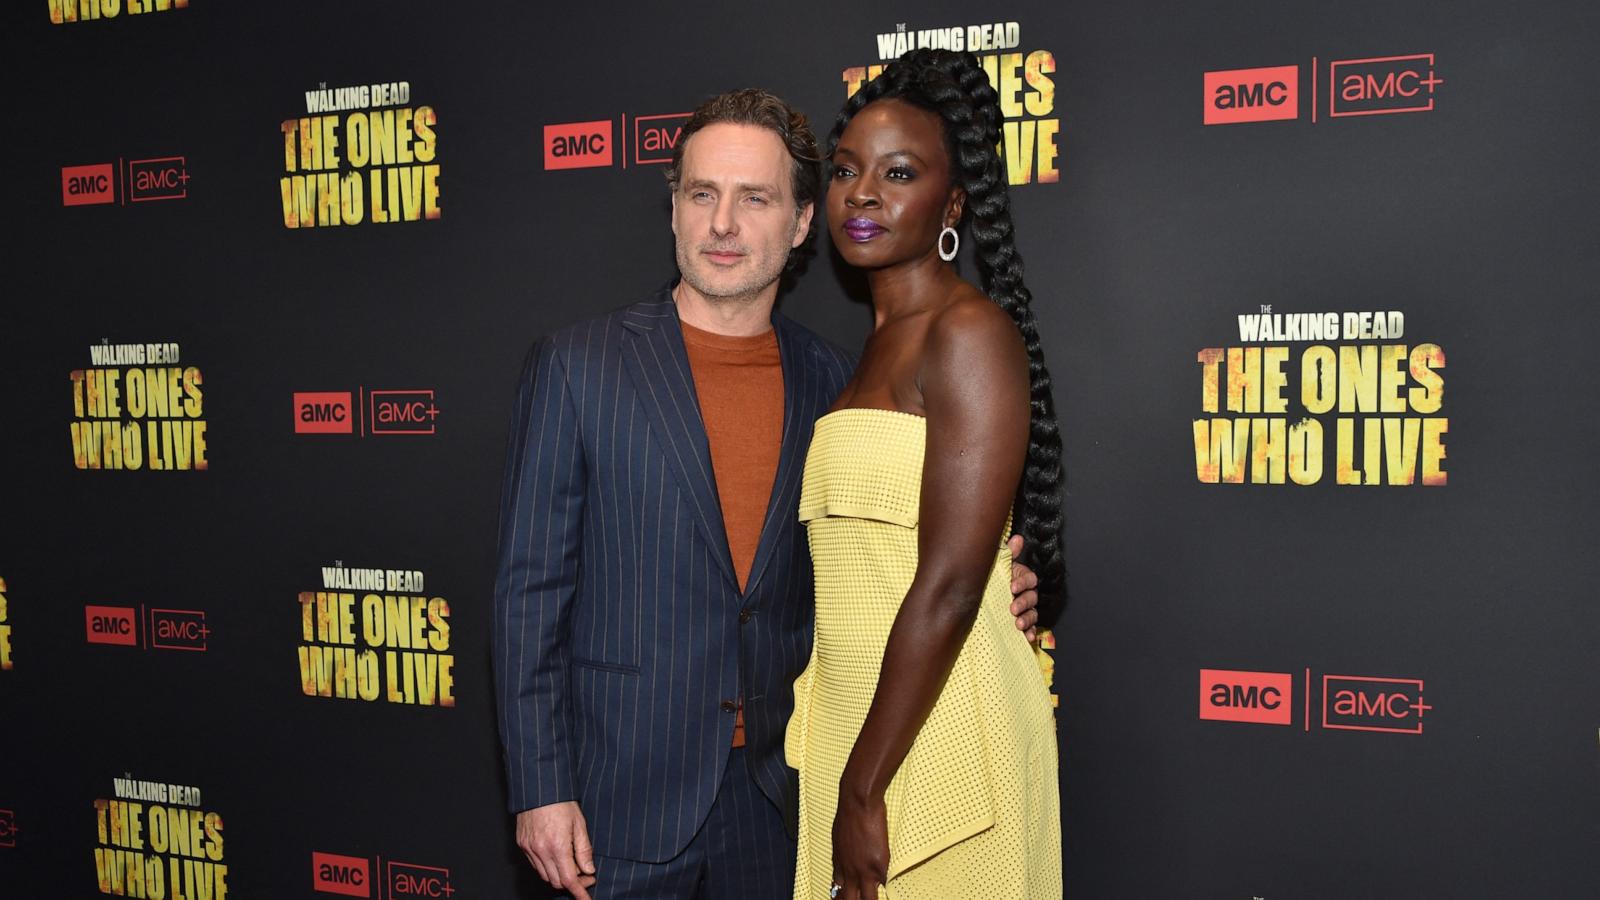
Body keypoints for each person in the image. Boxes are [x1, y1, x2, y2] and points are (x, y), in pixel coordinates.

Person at [492, 87, 1045, 900]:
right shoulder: (579, 367)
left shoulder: (837, 378)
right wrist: (541, 787)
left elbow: (879, 547)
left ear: (796, 226)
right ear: (674, 210)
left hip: (783, 799)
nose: (723, 223)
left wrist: (997, 582)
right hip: (619, 805)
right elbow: (527, 592)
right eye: (701, 194)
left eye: (755, 198)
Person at [784, 49, 1064, 900]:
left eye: (897, 173)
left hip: (941, 732)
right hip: (857, 723)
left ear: (952, 204)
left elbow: (947, 585)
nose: (861, 193)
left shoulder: (967, 334)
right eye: (845, 171)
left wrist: (862, 789)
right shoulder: (865, 352)